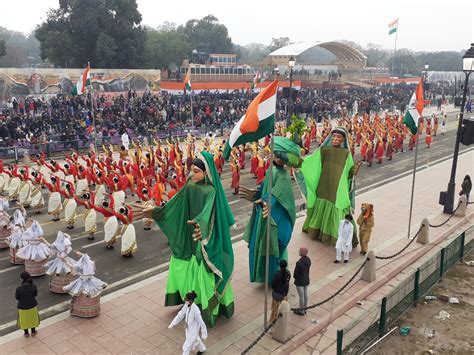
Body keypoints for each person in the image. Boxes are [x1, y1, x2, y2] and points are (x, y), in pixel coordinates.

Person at [134, 152, 235, 326]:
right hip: (188, 234)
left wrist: (200, 227)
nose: (191, 174)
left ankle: (209, 309)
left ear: (206, 172)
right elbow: (176, 204)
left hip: (204, 237)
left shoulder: (211, 191)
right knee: (180, 258)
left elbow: (207, 214)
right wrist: (158, 212)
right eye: (191, 170)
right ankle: (188, 300)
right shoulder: (189, 185)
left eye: (196, 171)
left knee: (203, 269)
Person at [240, 136, 302, 284]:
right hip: (267, 211)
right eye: (277, 155)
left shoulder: (283, 175)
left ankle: (276, 276)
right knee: (263, 243)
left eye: (282, 157)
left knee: (274, 244)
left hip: (276, 214)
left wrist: (265, 200)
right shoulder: (272, 169)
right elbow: (265, 187)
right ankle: (267, 275)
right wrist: (256, 194)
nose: (278, 159)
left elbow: (277, 192)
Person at [300, 127, 359, 246]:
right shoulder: (324, 150)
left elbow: (349, 173)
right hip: (324, 182)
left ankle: (337, 237)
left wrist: (355, 170)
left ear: (343, 140)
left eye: (338, 137)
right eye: (334, 136)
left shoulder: (346, 154)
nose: (335, 139)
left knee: (339, 204)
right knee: (322, 200)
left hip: (338, 187)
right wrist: (299, 161)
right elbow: (311, 161)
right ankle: (317, 231)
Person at [168, 291, 208, 355]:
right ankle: (202, 349)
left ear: (191, 300)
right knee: (196, 340)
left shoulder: (196, 310)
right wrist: (173, 323)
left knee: (186, 347)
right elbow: (181, 314)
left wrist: (204, 334)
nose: (185, 300)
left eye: (186, 299)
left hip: (193, 330)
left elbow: (201, 322)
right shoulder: (187, 305)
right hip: (188, 328)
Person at [15, 271, 40, 338]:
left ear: (23, 279)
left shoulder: (19, 288)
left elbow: (17, 297)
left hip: (22, 307)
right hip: (32, 306)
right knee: (33, 319)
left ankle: (26, 333)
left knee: (24, 320)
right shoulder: (34, 286)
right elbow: (35, 294)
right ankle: (33, 332)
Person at [293, 246, 311, 316]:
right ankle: (305, 308)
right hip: (306, 280)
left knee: (301, 296)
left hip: (300, 281)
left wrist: (295, 277)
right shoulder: (308, 260)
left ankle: (301, 310)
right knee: (305, 294)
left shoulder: (299, 263)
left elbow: (295, 274)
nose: (299, 252)